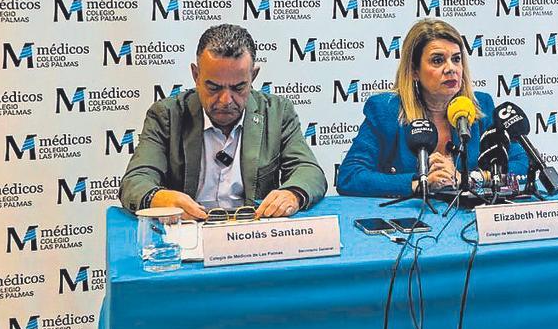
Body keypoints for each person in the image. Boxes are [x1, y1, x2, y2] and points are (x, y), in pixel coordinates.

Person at [119, 24, 327, 220]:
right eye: (214, 87)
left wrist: (292, 194)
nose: (225, 100)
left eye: (238, 88)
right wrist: (159, 198)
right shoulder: (167, 115)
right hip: (187, 231)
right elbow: (136, 180)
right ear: (196, 75)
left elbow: (309, 170)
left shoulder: (277, 112)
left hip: (253, 232)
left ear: (253, 76)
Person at [336, 18, 528, 197]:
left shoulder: (481, 107)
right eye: (438, 60)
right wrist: (419, 182)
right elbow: (350, 176)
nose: (451, 68)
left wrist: (467, 179)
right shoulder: (385, 110)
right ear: (414, 71)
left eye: (456, 59)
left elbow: (523, 164)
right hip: (413, 218)